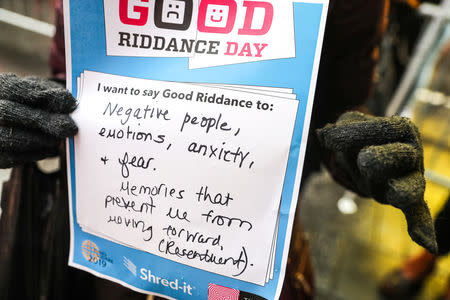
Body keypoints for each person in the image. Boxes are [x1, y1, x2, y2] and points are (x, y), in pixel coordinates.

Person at [0, 0, 438, 299]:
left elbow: (338, 112)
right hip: (110, 249)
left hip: (238, 252)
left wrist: (356, 152)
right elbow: (74, 75)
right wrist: (27, 115)